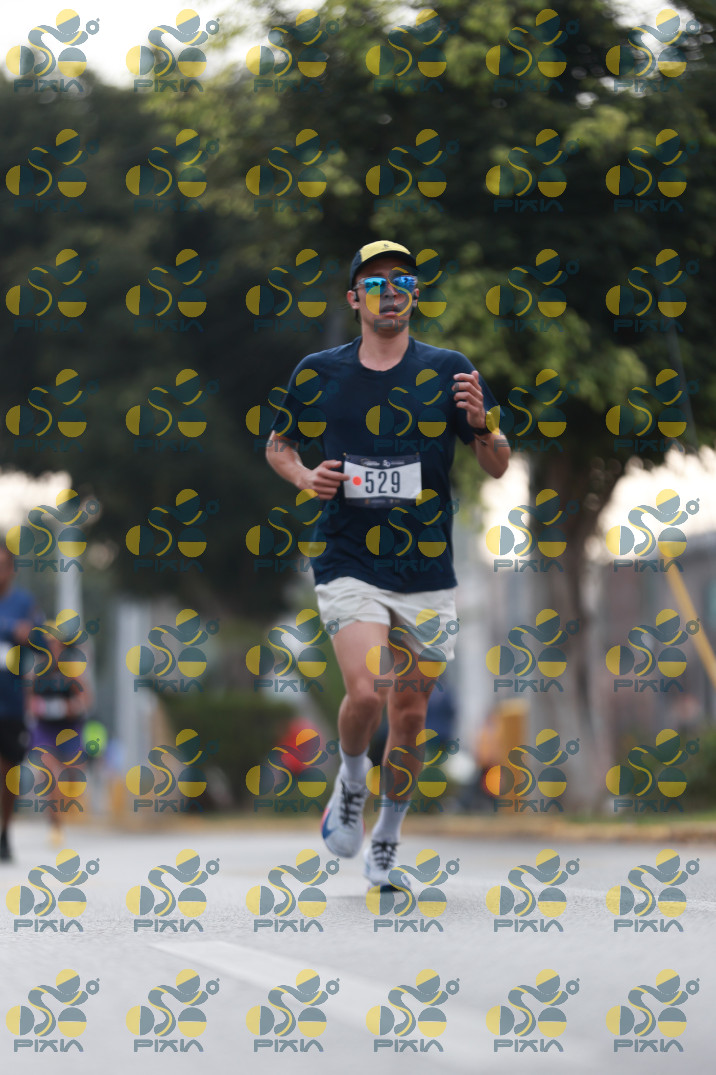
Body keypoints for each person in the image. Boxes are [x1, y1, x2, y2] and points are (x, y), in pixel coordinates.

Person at [265, 239, 509, 886]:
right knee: (369, 690)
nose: (390, 291)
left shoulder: (449, 371)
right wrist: (304, 476)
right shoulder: (320, 372)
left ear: (415, 295)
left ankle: (387, 840)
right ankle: (351, 781)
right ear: (355, 299)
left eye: (402, 280)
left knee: (410, 715)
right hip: (348, 557)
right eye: (375, 283)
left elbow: (496, 462)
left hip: (426, 569)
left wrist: (484, 424)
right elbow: (279, 445)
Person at [29, 624, 94, 846]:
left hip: (69, 730)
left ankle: (63, 808)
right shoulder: (37, 672)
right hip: (45, 730)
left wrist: (69, 707)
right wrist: (41, 707)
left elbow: (85, 700)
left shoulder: (72, 672)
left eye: (56, 646)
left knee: (72, 776)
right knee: (50, 775)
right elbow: (29, 701)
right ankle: (55, 825)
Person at [0, 545, 44, 862]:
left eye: (3, 565)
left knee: (8, 771)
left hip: (12, 701)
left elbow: (41, 640)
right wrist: (9, 628)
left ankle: (5, 832)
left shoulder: (25, 603)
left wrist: (29, 634)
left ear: (13, 569)